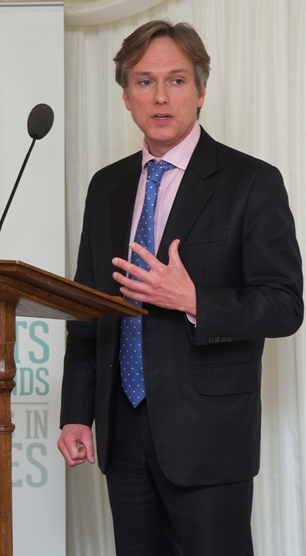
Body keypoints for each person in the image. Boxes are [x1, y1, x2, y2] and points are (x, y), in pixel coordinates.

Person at [57, 19, 303, 556]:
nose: (161, 96)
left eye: (177, 80)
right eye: (145, 81)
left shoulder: (251, 182)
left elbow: (285, 305)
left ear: (201, 91)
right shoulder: (107, 186)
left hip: (209, 438)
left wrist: (192, 300)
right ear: (125, 96)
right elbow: (86, 309)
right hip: (122, 434)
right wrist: (77, 410)